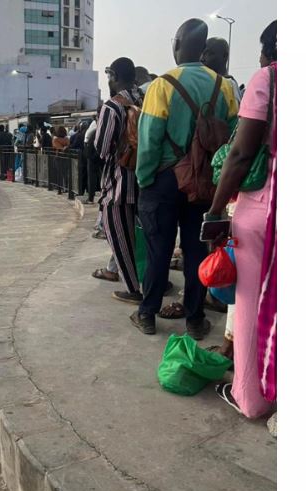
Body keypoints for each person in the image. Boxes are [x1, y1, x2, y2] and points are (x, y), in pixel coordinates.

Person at [131, 18, 238, 338]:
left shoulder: (162, 85)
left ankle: (148, 314)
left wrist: (144, 179)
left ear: (177, 44)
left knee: (158, 250)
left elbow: (148, 141)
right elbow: (233, 139)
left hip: (164, 180)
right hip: (205, 182)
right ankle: (194, 319)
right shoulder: (225, 87)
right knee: (196, 250)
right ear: (203, 48)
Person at [206, 21, 277, 419]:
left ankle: (251, 397)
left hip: (265, 211)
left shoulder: (269, 79)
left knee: (250, 304)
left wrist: (215, 213)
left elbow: (239, 154)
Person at [91, 57, 145, 302]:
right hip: (147, 180)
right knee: (147, 237)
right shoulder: (145, 99)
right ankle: (156, 281)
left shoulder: (112, 107)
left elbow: (102, 149)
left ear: (114, 76)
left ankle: (133, 289)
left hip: (119, 183)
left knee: (119, 237)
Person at [201, 37, 243, 104]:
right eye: (202, 54)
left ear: (224, 56)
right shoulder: (206, 83)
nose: (202, 59)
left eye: (208, 54)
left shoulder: (230, 85)